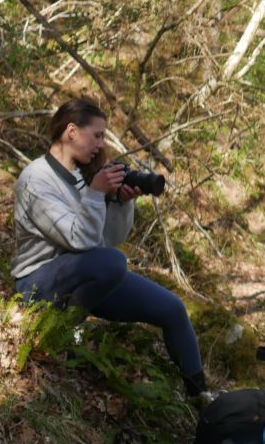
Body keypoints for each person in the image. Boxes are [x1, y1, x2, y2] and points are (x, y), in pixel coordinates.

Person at [12, 99, 208, 400]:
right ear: (72, 132)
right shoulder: (35, 180)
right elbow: (79, 241)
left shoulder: (80, 176)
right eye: (98, 135)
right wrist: (96, 193)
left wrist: (119, 202)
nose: (101, 144)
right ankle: (59, 332)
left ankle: (200, 398)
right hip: (36, 283)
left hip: (82, 272)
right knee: (113, 263)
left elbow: (107, 240)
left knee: (173, 309)